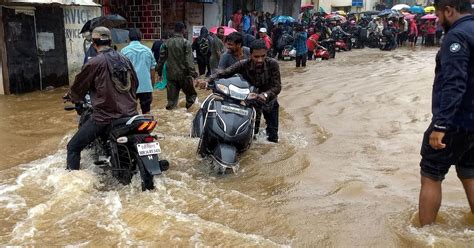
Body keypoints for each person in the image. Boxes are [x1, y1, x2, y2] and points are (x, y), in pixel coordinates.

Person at [418, 0, 474, 227]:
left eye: (439, 15)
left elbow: (454, 82)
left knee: (431, 174)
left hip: (455, 121)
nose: (439, 21)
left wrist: (441, 125)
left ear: (449, 10)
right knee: (470, 173)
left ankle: (425, 236)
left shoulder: (456, 36)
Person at [65, 27, 139, 170]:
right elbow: (135, 84)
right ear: (110, 41)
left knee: (73, 147)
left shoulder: (94, 62)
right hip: (130, 114)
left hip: (105, 117)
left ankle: (72, 181)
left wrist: (73, 97)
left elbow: (79, 86)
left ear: (93, 43)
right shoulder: (125, 59)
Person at [196, 40, 281, 143]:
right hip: (252, 103)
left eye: (263, 56)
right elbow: (224, 73)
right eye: (256, 56)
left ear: (266, 54)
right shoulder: (243, 64)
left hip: (269, 102)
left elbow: (277, 86)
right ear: (250, 55)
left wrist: (265, 95)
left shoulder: (273, 64)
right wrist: (207, 80)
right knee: (252, 135)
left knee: (273, 138)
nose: (260, 60)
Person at [157, 22, 198, 110]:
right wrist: (194, 74)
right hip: (184, 76)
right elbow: (189, 61)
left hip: (171, 76)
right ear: (183, 30)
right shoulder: (186, 43)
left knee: (171, 103)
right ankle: (190, 117)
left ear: (174, 30)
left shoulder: (166, 43)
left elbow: (161, 61)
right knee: (191, 98)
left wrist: (159, 72)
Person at [121, 28, 156, 114]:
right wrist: (151, 86)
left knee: (129, 111)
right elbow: (152, 71)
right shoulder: (148, 51)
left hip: (130, 87)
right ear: (141, 38)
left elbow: (121, 72)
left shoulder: (124, 51)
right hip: (146, 87)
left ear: (129, 38)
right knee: (147, 112)